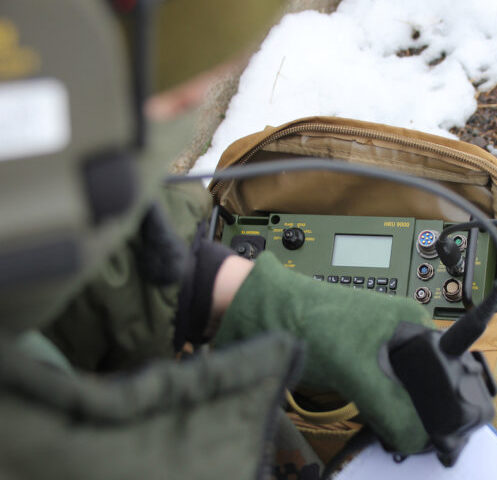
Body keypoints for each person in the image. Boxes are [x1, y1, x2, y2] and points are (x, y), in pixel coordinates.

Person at [0, 1, 436, 478]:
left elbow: (72, 236)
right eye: (173, 98)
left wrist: (218, 287)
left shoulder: (36, 197)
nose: (191, 104)